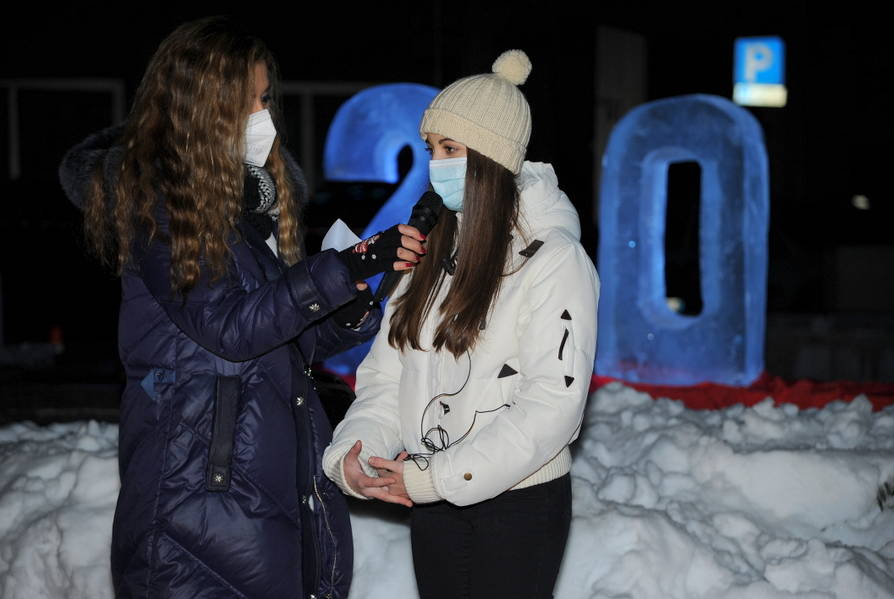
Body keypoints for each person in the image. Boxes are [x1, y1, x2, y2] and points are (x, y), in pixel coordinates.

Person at [58, 17, 426, 599]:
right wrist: (342, 267)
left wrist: (354, 296)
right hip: (196, 501)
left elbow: (284, 338)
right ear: (201, 107)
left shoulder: (246, 212)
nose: (265, 118)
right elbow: (229, 328)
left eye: (264, 99)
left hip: (257, 487)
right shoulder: (160, 205)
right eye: (248, 102)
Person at [322, 50, 600, 598]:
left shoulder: (555, 259)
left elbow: (553, 404)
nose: (436, 163)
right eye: (432, 149)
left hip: (516, 508)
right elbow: (385, 377)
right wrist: (356, 455)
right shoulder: (428, 253)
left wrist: (438, 478)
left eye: (451, 148)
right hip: (434, 498)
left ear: (492, 158)